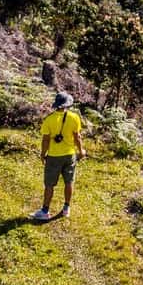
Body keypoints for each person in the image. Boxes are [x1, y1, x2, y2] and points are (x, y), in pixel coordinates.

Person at [32, 92, 85, 221]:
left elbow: (45, 140)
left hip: (54, 156)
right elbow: (77, 137)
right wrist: (81, 150)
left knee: (50, 184)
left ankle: (45, 211)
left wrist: (43, 154)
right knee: (69, 181)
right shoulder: (74, 117)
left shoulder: (49, 120)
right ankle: (66, 208)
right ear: (68, 104)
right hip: (70, 155)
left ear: (56, 104)